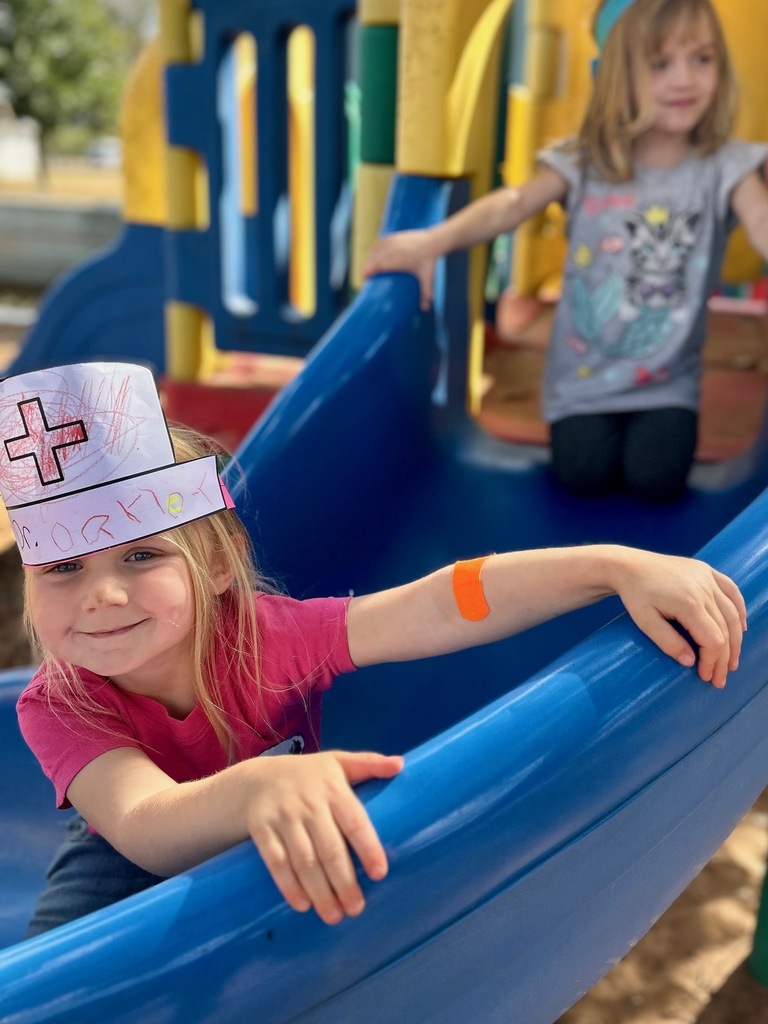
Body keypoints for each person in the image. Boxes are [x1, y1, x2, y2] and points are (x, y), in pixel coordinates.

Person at [0, 362, 745, 936]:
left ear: (219, 565)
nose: (101, 595)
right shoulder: (58, 703)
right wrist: (255, 791)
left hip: (280, 811)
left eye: (139, 557)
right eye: (64, 568)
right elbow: (144, 826)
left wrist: (615, 566)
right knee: (50, 988)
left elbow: (438, 603)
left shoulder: (267, 637)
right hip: (123, 861)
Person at [364, 0, 768, 501]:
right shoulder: (588, 160)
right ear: (622, 76)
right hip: (582, 386)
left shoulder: (726, 165)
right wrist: (433, 240)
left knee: (656, 479)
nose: (685, 79)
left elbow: (759, 218)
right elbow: (513, 204)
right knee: (582, 474)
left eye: (702, 59)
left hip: (667, 385)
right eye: (661, 64)